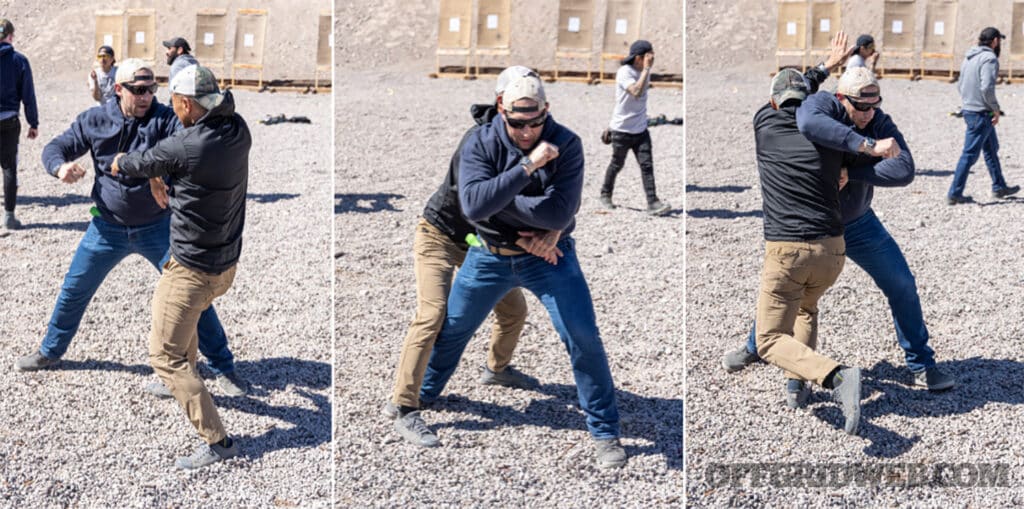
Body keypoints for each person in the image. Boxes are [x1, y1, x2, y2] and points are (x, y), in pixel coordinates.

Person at [396, 73, 627, 468]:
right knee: (450, 328)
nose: (527, 131)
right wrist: (526, 170)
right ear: (502, 109)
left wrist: (546, 222)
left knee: (583, 336)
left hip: (550, 255)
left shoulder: (567, 142)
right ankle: (421, 396)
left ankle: (604, 431)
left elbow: (559, 209)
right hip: (488, 252)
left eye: (535, 123)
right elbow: (471, 208)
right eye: (518, 123)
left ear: (546, 111)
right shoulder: (480, 141)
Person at [14, 59, 248, 399]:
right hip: (106, 228)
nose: (147, 97)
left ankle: (224, 367)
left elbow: (181, 152)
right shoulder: (95, 119)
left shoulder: (167, 119)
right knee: (74, 289)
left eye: (152, 89)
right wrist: (60, 167)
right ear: (119, 89)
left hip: (158, 229)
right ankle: (50, 350)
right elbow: (55, 148)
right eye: (139, 91)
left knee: (192, 298)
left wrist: (155, 176)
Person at [725, 66, 955, 402]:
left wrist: (853, 168)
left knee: (902, 284)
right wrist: (866, 145)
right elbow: (806, 120)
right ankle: (761, 347)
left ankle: (921, 364)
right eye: (860, 107)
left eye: (873, 106)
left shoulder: (877, 120)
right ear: (840, 98)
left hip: (857, 221)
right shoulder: (819, 107)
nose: (868, 114)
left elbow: (904, 168)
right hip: (815, 225)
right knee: (790, 292)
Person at [111, 64, 251, 470]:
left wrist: (121, 160)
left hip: (193, 270)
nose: (171, 109)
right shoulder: (238, 130)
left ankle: (218, 442)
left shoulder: (188, 146)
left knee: (165, 356)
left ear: (187, 104)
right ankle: (188, 383)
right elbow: (171, 163)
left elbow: (143, 161)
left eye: (174, 102)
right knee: (183, 325)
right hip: (225, 265)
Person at [385, 67, 538, 423]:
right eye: (521, 109)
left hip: (478, 243)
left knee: (514, 311)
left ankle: (497, 369)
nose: (528, 121)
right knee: (431, 315)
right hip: (439, 236)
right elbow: (481, 206)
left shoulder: (524, 141)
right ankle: (404, 404)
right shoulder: (478, 143)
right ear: (502, 104)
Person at [599, 39, 671, 216]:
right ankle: (605, 194)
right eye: (648, 56)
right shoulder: (625, 72)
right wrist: (646, 69)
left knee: (647, 166)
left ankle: (653, 202)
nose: (652, 59)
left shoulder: (644, 71)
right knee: (617, 164)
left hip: (640, 130)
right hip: (622, 131)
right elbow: (636, 92)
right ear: (639, 58)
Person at [946, 27, 1018, 204]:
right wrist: (995, 109)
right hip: (981, 114)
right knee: (969, 154)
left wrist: (968, 103)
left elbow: (960, 84)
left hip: (971, 110)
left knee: (991, 148)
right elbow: (987, 88)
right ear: (994, 41)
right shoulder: (989, 58)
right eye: (999, 41)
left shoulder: (969, 56)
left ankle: (999, 186)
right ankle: (954, 193)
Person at [0, 18, 38, 230]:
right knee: (9, 167)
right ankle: (9, 217)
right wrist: (33, 122)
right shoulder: (19, 60)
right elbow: (28, 95)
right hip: (8, 120)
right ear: (11, 36)